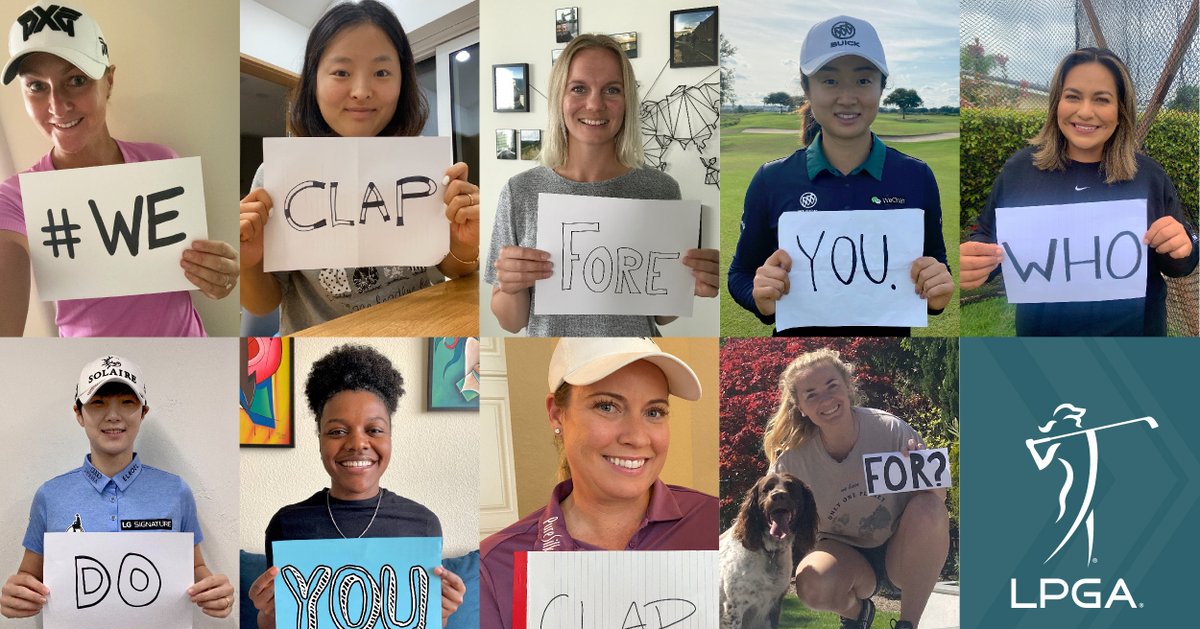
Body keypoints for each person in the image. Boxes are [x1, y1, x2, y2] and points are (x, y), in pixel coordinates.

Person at [239, 0, 480, 335]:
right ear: (313, 81)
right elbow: (263, 304)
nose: (362, 91)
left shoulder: (425, 169)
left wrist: (464, 242)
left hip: (421, 334)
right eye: (341, 72)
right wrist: (250, 262)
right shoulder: (278, 177)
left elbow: (452, 269)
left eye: (381, 73)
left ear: (402, 81)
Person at [479, 337, 719, 629]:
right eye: (607, 406)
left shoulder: (715, 525)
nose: (636, 437)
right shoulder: (495, 566)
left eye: (654, 412)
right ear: (556, 414)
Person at [0, 1, 239, 337]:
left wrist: (217, 277)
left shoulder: (161, 164)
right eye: (37, 86)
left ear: (109, 81)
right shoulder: (14, 199)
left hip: (188, 352)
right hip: (98, 368)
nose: (57, 106)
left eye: (76, 79)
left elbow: (195, 276)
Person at [0, 354, 234, 629]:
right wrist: (15, 595)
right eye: (97, 403)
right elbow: (29, 576)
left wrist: (215, 591)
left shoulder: (176, 492)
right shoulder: (50, 496)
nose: (113, 416)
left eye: (127, 402)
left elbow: (195, 567)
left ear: (143, 412)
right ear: (79, 414)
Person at [727, 16, 953, 336]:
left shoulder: (917, 176)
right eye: (830, 81)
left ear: (881, 87)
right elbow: (740, 273)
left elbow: (936, 265)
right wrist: (759, 297)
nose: (847, 97)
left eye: (863, 80)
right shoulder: (771, 179)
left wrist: (937, 292)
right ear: (807, 88)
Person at [246, 344, 466, 629]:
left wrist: (444, 611)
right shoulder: (288, 525)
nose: (357, 443)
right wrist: (266, 613)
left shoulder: (421, 524)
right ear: (319, 438)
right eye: (337, 431)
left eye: (374, 430)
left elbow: (423, 628)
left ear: (389, 436)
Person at [485, 33, 720, 336]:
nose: (595, 104)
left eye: (612, 90)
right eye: (578, 88)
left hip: (636, 354)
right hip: (553, 356)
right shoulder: (521, 191)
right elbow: (512, 322)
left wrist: (690, 282)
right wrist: (511, 285)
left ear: (627, 102)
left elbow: (663, 317)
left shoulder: (660, 190)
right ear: (559, 97)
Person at [960, 47, 1197, 335]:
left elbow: (1178, 263)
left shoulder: (1149, 177)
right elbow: (988, 238)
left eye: (1102, 99)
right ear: (1056, 104)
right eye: (1072, 96)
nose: (1085, 112)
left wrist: (1184, 247)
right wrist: (974, 261)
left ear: (1121, 111)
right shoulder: (1019, 171)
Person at [760, 347, 947, 629]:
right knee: (811, 583)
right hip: (842, 549)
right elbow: (768, 514)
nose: (825, 399)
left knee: (929, 508)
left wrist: (922, 471)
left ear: (848, 386)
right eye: (811, 394)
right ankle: (856, 614)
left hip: (897, 544)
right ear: (800, 407)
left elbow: (938, 499)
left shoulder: (890, 430)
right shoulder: (792, 461)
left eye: (832, 385)